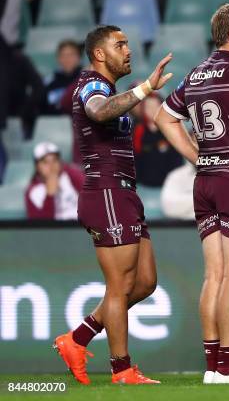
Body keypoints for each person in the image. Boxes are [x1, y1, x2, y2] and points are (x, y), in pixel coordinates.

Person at [154, 4, 229, 384]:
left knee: (216, 276)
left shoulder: (196, 74)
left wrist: (198, 156)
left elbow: (163, 117)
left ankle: (214, 368)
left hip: (205, 181)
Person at [53, 25, 173, 385]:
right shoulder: (91, 84)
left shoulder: (109, 88)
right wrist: (145, 89)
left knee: (146, 282)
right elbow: (99, 111)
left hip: (123, 194)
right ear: (100, 54)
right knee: (119, 286)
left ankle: (77, 339)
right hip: (105, 191)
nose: (128, 50)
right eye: (119, 45)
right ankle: (122, 370)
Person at [133, 93, 183, 187]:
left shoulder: (171, 129)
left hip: (168, 185)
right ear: (143, 110)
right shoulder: (137, 130)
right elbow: (135, 159)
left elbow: (177, 160)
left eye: (155, 106)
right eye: (148, 107)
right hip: (144, 185)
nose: (152, 110)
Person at [25, 141, 84, 220]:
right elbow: (39, 227)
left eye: (55, 160)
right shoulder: (32, 192)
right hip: (57, 231)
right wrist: (49, 196)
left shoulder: (70, 175)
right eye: (45, 162)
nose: (51, 166)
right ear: (37, 167)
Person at [43, 40, 83, 115]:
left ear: (79, 57)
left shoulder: (88, 80)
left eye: (71, 55)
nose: (67, 59)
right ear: (58, 59)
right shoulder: (49, 83)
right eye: (63, 55)